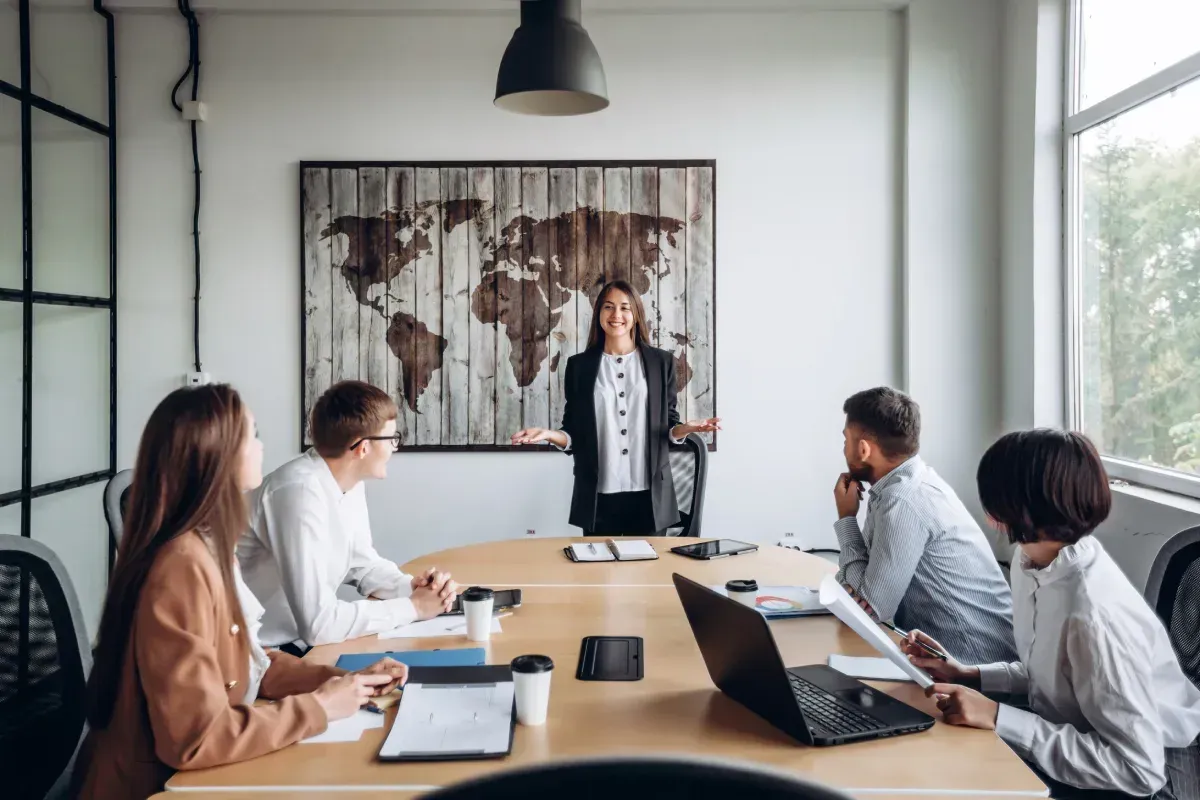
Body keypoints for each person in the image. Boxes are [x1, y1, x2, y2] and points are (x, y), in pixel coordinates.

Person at [74, 385, 409, 800]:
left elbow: (246, 665)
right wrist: (318, 708)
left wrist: (342, 682)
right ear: (218, 455)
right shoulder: (181, 566)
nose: (262, 446)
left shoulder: (209, 545)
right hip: (153, 788)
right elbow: (194, 739)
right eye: (253, 435)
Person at [903, 429, 1200, 799]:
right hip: (1082, 738)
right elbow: (1055, 674)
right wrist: (970, 674)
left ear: (1006, 511)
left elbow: (1139, 770)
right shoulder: (1034, 560)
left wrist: (998, 717)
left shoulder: (1093, 616)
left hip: (1156, 779)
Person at [239, 380, 457, 652]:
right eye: (391, 439)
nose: (394, 448)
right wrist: (413, 607)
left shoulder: (348, 484)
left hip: (296, 645)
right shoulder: (297, 493)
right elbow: (318, 625)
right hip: (259, 654)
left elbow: (362, 565)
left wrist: (412, 587)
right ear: (362, 447)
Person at [510, 280, 721, 535]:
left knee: (649, 572)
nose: (616, 315)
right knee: (599, 573)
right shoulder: (579, 367)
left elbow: (668, 426)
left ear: (636, 314)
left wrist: (684, 428)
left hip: (650, 497)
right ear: (599, 313)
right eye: (608, 307)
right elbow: (574, 434)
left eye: (624, 307)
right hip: (599, 497)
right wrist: (547, 434)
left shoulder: (661, 362)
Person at [833, 386, 1016, 664]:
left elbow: (869, 607)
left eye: (845, 440)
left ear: (864, 449)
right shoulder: (904, 484)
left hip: (974, 667)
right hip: (949, 660)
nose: (843, 449)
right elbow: (855, 590)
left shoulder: (902, 501)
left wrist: (847, 518)